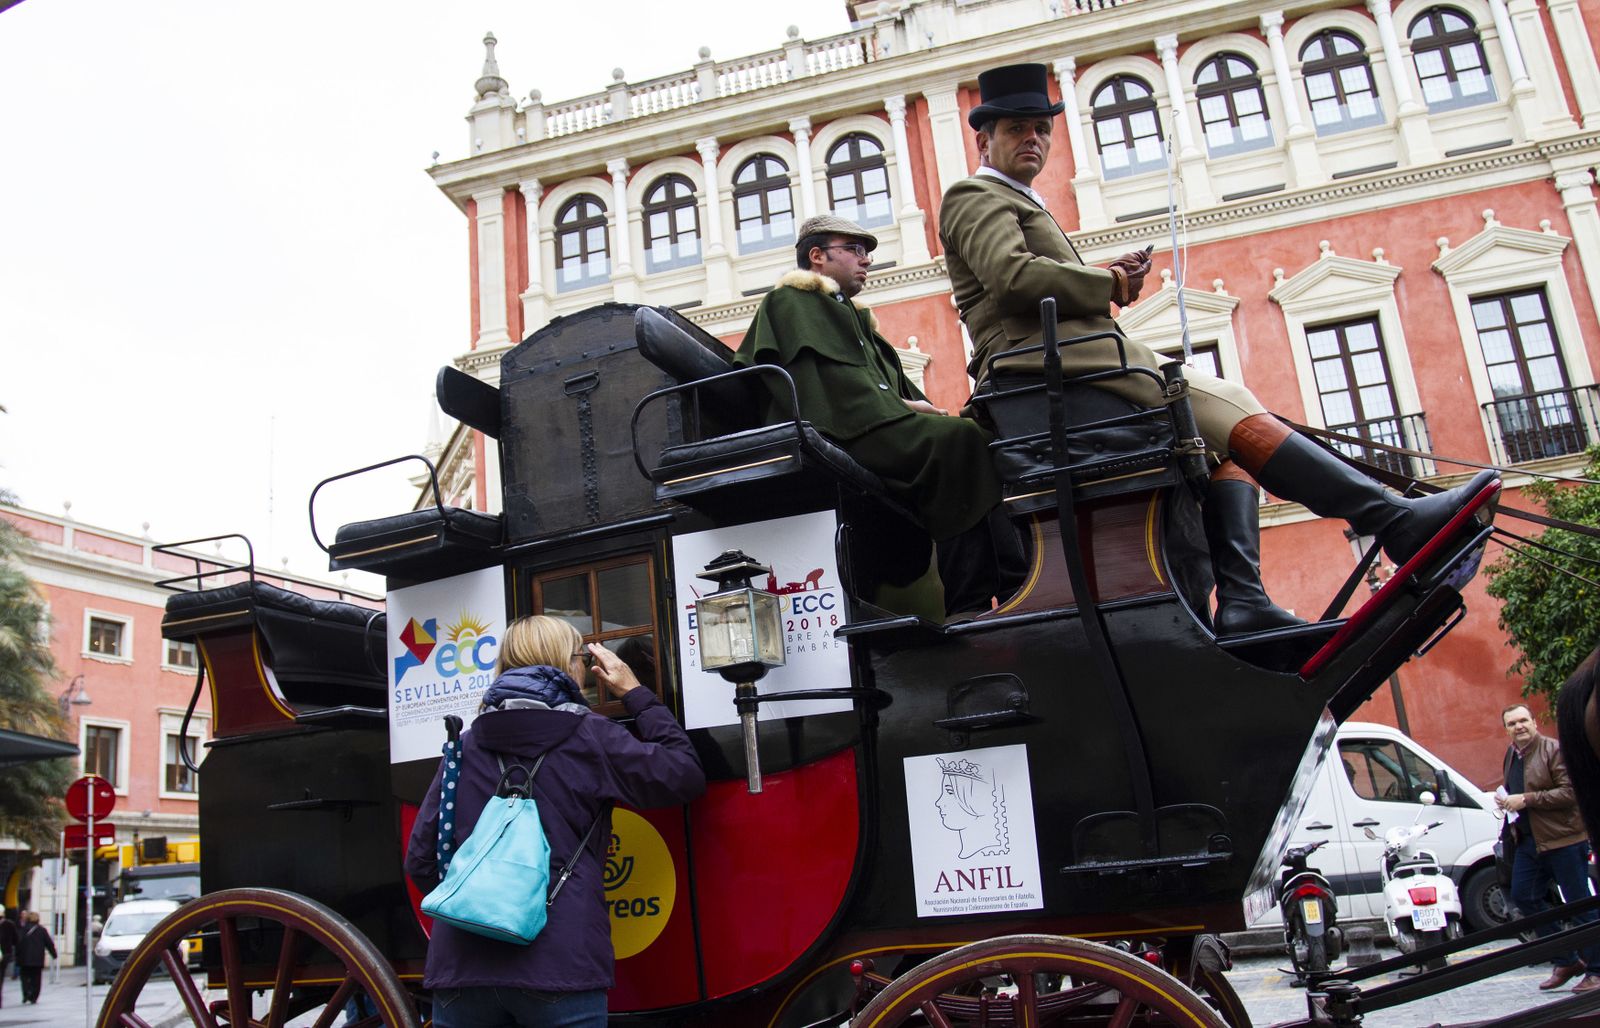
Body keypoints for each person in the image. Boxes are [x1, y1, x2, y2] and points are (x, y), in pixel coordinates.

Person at [938, 62, 1496, 636]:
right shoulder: (973, 194)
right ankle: (1391, 519)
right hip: (1052, 372)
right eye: (1016, 129)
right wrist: (1107, 282)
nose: (1033, 139)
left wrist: (1106, 278)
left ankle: (1244, 600)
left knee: (1229, 453)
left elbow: (1038, 279)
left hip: (1082, 364)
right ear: (984, 139)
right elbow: (1010, 277)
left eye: (1042, 128)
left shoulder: (1020, 198)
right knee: (1230, 399)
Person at [404, 616, 706, 1028]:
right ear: (570, 665)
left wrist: (479, 908)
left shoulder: (464, 745)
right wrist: (636, 694)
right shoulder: (591, 735)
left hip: (462, 967)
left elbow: (421, 859)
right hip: (560, 963)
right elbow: (682, 775)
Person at [734, 213, 1026, 616]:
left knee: (981, 435)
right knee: (960, 441)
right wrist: (906, 409)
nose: (866, 259)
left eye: (866, 251)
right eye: (853, 249)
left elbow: (874, 386)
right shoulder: (792, 301)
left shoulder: (849, 314)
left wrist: (917, 408)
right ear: (817, 256)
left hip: (866, 421)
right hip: (841, 430)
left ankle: (1015, 580)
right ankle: (973, 599)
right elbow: (828, 391)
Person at [1497, 702, 1600, 992]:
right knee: (1524, 897)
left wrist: (1526, 799)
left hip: (1565, 839)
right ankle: (1566, 960)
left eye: (1523, 721)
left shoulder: (1552, 749)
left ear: (1534, 723)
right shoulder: (1512, 754)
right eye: (1512, 724)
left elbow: (1570, 792)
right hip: (1530, 841)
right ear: (1506, 729)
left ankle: (1597, 970)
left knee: (1579, 903)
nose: (1519, 727)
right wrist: (1508, 800)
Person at [15, 911, 55, 1004]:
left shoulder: (23, 929)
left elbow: (18, 944)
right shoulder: (42, 930)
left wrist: (17, 955)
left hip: (24, 958)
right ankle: (34, 996)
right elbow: (49, 943)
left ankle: (26, 993)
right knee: (36, 979)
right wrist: (54, 954)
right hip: (37, 959)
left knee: (24, 977)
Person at [0, 906, 17, 1007]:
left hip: (4, 954)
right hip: (5, 954)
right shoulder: (10, 924)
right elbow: (16, 940)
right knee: (1, 977)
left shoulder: (9, 924)